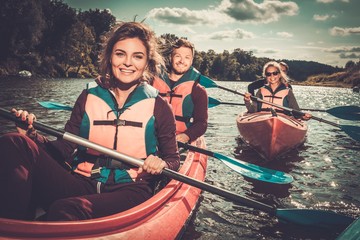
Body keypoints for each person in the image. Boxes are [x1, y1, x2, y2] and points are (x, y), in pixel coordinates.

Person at [0, 22, 180, 221]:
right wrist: (32, 136)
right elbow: (65, 148)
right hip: (83, 182)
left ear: (146, 62)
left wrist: (161, 163)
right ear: (110, 57)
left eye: (137, 56)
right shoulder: (88, 95)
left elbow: (173, 160)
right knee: (14, 142)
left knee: (67, 209)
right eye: (120, 54)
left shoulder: (160, 106)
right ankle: (10, 226)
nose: (128, 62)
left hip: (130, 190)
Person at [152, 38, 208, 143]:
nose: (182, 61)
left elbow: (201, 123)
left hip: (179, 140)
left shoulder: (198, 90)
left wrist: (186, 136)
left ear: (191, 61)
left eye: (187, 57)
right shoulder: (152, 82)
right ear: (171, 57)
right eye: (178, 56)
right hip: (152, 136)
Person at [244, 61, 311, 120]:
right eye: (268, 74)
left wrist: (303, 116)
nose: (272, 76)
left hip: (283, 120)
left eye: (275, 73)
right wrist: (247, 101)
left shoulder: (288, 92)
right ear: (266, 76)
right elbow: (252, 110)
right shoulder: (261, 91)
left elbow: (296, 112)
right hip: (262, 118)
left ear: (279, 74)